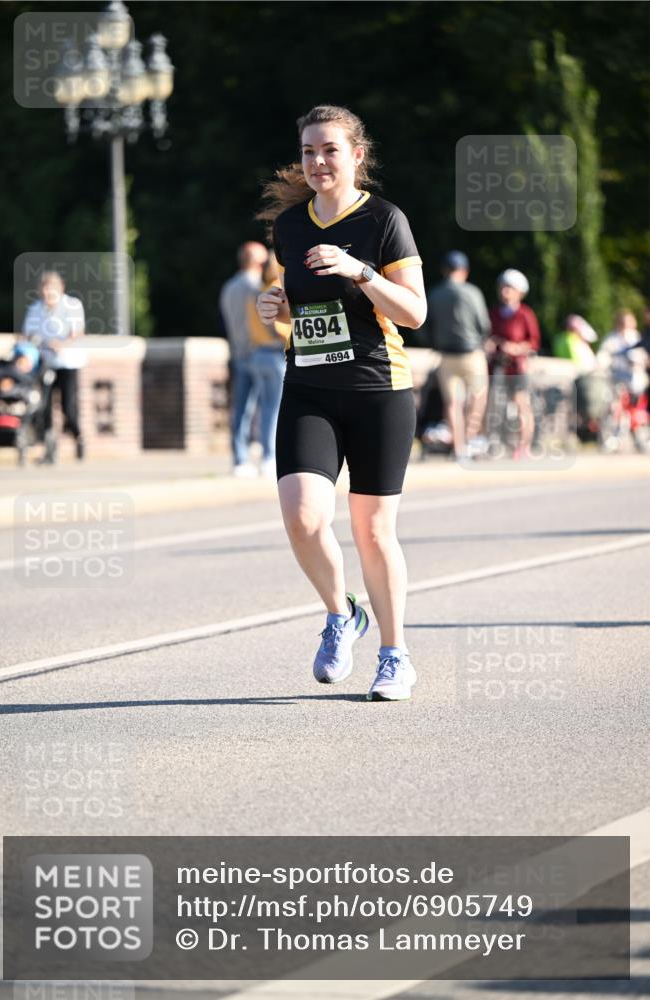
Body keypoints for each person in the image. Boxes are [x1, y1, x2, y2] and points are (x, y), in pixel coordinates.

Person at [256, 104, 426, 701]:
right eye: (308, 151)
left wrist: (360, 271)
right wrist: (274, 308)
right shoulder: (291, 225)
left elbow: (414, 312)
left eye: (329, 149)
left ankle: (394, 653)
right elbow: (302, 304)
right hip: (308, 389)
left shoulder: (384, 220)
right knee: (303, 518)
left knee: (373, 532)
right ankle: (340, 614)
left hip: (379, 391)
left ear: (356, 155)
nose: (317, 161)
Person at [427, 250, 490, 460]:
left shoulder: (435, 294)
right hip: (471, 353)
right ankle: (471, 438)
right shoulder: (472, 292)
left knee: (453, 403)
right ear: (464, 271)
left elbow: (423, 327)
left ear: (445, 270)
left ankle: (459, 447)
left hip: (446, 355)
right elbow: (484, 325)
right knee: (478, 397)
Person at [21, 270, 86, 461]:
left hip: (68, 362)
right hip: (45, 363)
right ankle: (49, 448)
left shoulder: (72, 305)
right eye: (45, 288)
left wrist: (61, 345)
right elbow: (28, 334)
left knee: (67, 406)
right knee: (44, 406)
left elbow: (78, 332)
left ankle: (78, 437)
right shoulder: (35, 308)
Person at [219, 241, 269, 477]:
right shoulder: (256, 288)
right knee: (268, 407)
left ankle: (239, 458)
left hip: (238, 353)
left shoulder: (228, 287)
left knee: (241, 409)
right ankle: (267, 456)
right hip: (260, 351)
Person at [486, 269, 541, 460]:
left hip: (517, 367)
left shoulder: (525, 314)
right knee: (492, 405)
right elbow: (488, 336)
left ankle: (523, 446)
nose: (505, 292)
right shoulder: (494, 313)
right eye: (503, 287)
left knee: (521, 405)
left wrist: (516, 349)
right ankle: (493, 443)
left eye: (509, 288)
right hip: (497, 368)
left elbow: (533, 342)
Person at [246, 252, 290, 478]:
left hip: (257, 354)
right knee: (275, 411)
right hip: (274, 355)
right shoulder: (277, 289)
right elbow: (281, 328)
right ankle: (270, 457)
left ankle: (264, 454)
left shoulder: (256, 293)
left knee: (263, 409)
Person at [597, 308, 648, 398]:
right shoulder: (611, 338)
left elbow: (643, 355)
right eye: (623, 322)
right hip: (617, 378)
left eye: (629, 322)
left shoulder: (637, 337)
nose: (626, 325)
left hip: (637, 379)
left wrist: (640, 362)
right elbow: (603, 357)